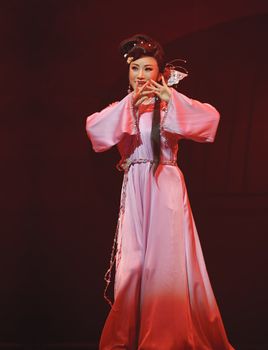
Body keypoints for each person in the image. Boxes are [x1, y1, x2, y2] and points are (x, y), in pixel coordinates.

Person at [86, 34, 235, 350]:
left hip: (163, 185)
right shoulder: (125, 107)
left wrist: (172, 98)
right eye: (135, 68)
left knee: (163, 264)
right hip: (135, 189)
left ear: (160, 72)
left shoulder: (167, 103)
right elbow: (95, 129)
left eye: (148, 69)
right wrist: (129, 104)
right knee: (134, 265)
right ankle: (127, 336)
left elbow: (211, 120)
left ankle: (163, 339)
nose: (140, 75)